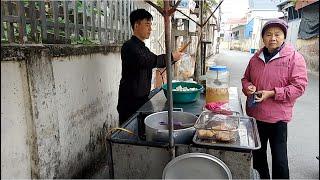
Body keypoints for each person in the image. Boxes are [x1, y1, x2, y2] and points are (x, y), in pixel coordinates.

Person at [241, 18, 308, 179]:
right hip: (256, 115)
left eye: (277, 34)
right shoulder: (255, 58)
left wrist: (272, 93)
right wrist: (248, 87)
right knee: (258, 155)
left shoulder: (294, 58)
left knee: (280, 160)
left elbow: (299, 87)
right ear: (263, 38)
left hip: (278, 118)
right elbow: (245, 78)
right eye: (268, 34)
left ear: (284, 37)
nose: (273, 38)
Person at [117, 9, 182, 126]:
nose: (150, 29)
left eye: (151, 25)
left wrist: (172, 59)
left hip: (142, 100)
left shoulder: (143, 48)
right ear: (136, 25)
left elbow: (157, 61)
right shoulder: (129, 47)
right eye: (147, 25)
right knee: (128, 136)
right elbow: (148, 61)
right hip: (129, 102)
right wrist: (171, 56)